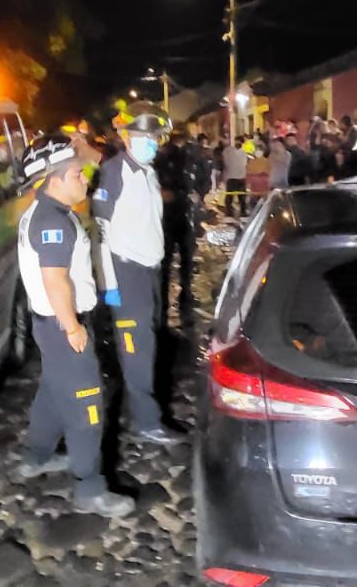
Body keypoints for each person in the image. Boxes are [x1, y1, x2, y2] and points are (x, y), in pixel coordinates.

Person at [15, 134, 136, 517]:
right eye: (78, 174)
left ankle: (36, 457)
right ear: (55, 179)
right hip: (61, 324)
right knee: (88, 406)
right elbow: (55, 281)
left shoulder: (47, 211)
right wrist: (73, 328)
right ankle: (89, 488)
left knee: (53, 391)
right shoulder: (53, 221)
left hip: (48, 326)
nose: (85, 179)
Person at [92, 102, 186, 447]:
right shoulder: (115, 171)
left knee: (148, 343)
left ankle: (144, 414)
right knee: (137, 350)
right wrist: (111, 285)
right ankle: (146, 422)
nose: (152, 142)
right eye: (144, 136)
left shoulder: (147, 171)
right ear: (127, 136)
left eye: (155, 137)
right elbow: (100, 230)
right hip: (127, 273)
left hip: (149, 271)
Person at [154, 132, 212, 327]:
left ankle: (181, 303)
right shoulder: (163, 161)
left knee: (181, 263)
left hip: (182, 216)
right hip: (170, 217)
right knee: (169, 263)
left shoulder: (187, 159)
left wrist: (197, 195)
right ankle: (166, 306)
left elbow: (201, 181)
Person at [221, 135, 248, 217]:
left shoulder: (228, 151)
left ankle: (232, 212)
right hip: (236, 177)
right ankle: (236, 212)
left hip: (237, 177)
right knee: (236, 197)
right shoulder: (242, 153)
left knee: (236, 197)